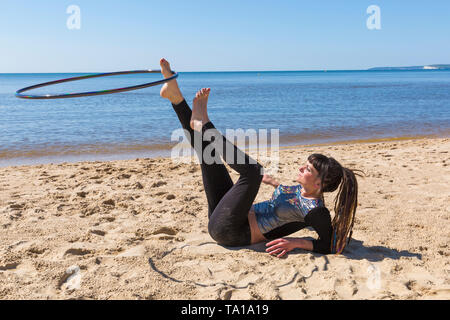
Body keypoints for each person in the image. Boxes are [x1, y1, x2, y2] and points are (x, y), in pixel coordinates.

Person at [159, 58, 362, 256]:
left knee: (254, 171)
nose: (301, 168)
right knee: (209, 156)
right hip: (225, 216)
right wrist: (274, 184)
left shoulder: (317, 211)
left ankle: (204, 124)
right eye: (305, 165)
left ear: (319, 184)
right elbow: (289, 202)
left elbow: (330, 244)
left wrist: (295, 242)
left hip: (231, 232)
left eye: (308, 169)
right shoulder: (300, 190)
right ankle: (175, 97)